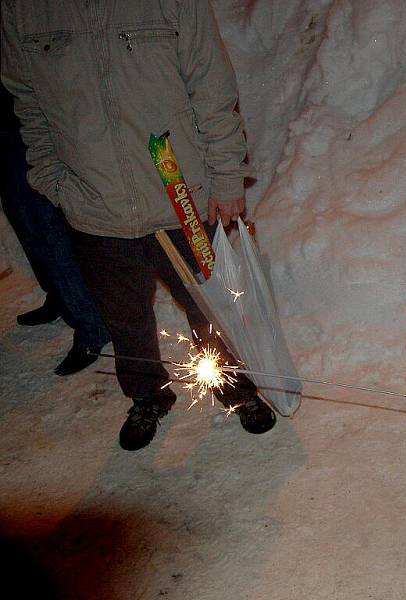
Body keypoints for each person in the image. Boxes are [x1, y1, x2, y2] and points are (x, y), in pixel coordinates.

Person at [1, 0, 276, 451]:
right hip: (95, 209)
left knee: (210, 308)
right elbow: (27, 103)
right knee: (124, 318)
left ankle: (232, 386)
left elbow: (212, 87)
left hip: (180, 200)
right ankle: (147, 394)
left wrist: (226, 176)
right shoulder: (23, 10)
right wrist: (55, 181)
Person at [0, 82, 110, 376]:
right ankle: (60, 296)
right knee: (22, 218)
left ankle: (91, 324)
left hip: (21, 116)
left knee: (44, 221)